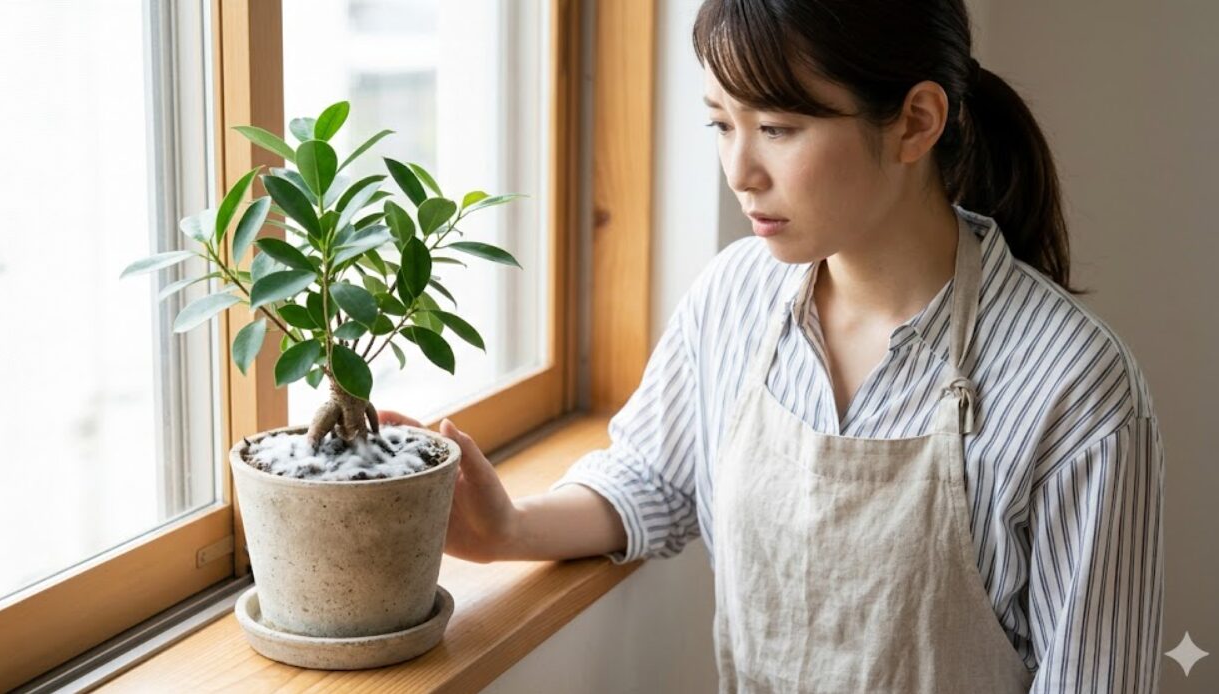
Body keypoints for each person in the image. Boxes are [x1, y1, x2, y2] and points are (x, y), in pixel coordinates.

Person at [381, 0, 1165, 691]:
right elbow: (656, 475)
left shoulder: (1075, 388)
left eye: (778, 128)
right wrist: (505, 529)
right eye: (722, 123)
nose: (740, 171)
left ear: (916, 122)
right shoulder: (735, 297)